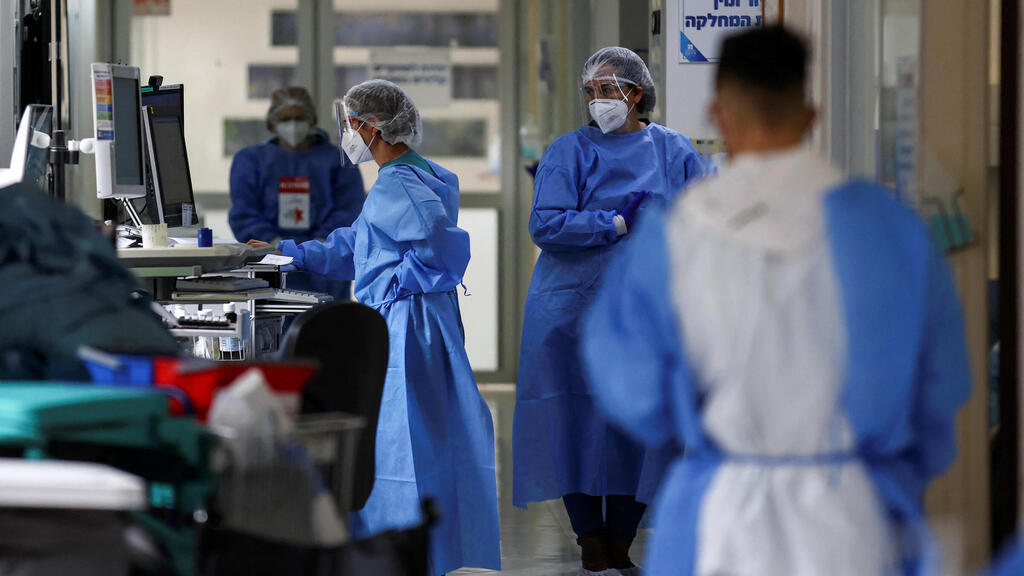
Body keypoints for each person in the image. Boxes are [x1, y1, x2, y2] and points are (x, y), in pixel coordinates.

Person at [581, 27, 971, 576]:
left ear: (719, 116)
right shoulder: (890, 233)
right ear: (811, 117)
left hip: (720, 516)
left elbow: (634, 392)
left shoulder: (674, 238)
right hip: (854, 516)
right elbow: (939, 396)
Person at [249, 79, 500, 576]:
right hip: (420, 319)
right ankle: (417, 551)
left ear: (373, 126)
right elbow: (359, 246)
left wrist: (396, 281)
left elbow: (439, 244)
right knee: (420, 441)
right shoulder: (415, 173)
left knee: (402, 444)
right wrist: (289, 252)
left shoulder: (397, 182)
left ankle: (401, 553)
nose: (346, 133)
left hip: (409, 324)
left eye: (352, 124)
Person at [513, 46, 713, 575]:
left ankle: (620, 539)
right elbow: (546, 225)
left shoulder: (676, 152)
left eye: (609, 89)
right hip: (571, 307)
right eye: (592, 91)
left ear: (637, 92)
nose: (598, 100)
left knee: (641, 420)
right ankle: (589, 537)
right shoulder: (568, 151)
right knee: (570, 417)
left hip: (648, 310)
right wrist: (615, 223)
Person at [229, 86, 364, 301]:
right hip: (269, 264)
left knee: (327, 328)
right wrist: (275, 246)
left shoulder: (339, 160)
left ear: (311, 119)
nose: (292, 124)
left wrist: (315, 252)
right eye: (285, 118)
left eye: (299, 117)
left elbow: (348, 211)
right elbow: (244, 213)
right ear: (272, 122)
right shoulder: (250, 161)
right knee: (273, 329)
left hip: (325, 268)